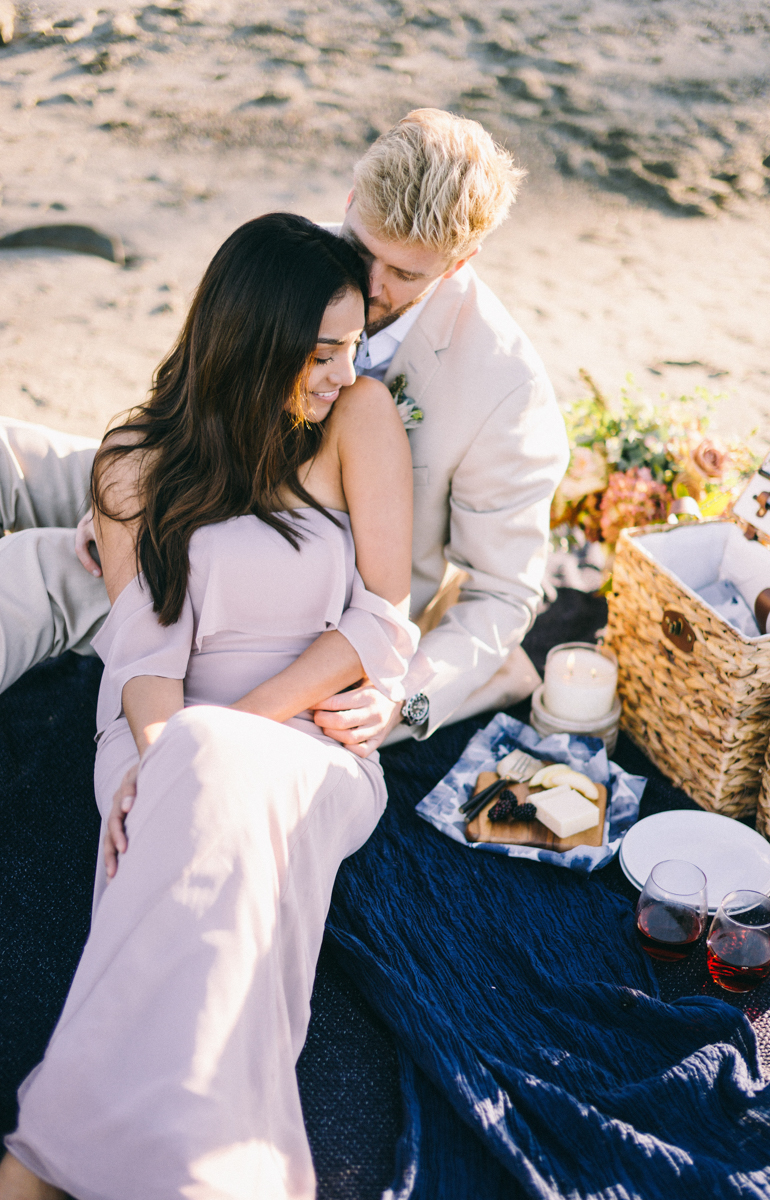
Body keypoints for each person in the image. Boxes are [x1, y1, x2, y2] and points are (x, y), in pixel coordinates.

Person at [0, 213, 421, 1199]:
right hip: (156, 726)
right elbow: (144, 657)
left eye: (353, 345)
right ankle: (214, 1159)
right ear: (248, 339)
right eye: (319, 352)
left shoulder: (357, 419)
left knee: (214, 775)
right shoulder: (134, 464)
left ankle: (60, 1152)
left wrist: (225, 733)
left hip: (311, 737)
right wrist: (165, 749)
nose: (339, 372)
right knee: (183, 810)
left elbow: (379, 621)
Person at [0, 108, 568, 750]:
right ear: (351, 202)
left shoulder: (504, 387)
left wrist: (406, 700)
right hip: (199, 480)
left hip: (289, 590)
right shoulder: (294, 255)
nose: (372, 287)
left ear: (461, 262)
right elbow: (200, 384)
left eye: (406, 274)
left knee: (30, 571)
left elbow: (502, 593)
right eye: (361, 249)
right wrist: (121, 508)